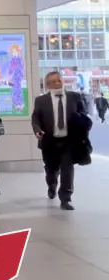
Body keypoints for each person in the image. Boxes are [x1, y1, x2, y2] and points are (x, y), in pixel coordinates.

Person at [31, 71, 92, 211]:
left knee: (67, 169)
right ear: (48, 85)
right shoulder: (41, 100)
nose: (57, 83)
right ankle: (52, 185)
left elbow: (83, 114)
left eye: (59, 80)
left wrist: (78, 118)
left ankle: (66, 198)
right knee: (51, 170)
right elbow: (35, 118)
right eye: (53, 81)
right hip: (49, 141)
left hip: (68, 141)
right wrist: (37, 130)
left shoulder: (74, 97)